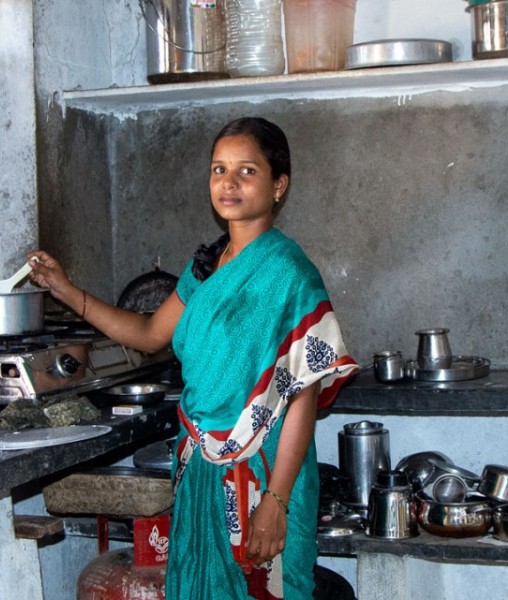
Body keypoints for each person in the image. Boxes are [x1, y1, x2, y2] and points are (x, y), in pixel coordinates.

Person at [29, 116, 358, 600]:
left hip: (265, 471)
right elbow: (146, 333)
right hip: (200, 468)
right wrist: (64, 289)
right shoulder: (204, 269)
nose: (228, 182)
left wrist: (276, 501)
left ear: (279, 185)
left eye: (247, 171)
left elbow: (301, 399)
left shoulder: (290, 275)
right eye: (218, 169)